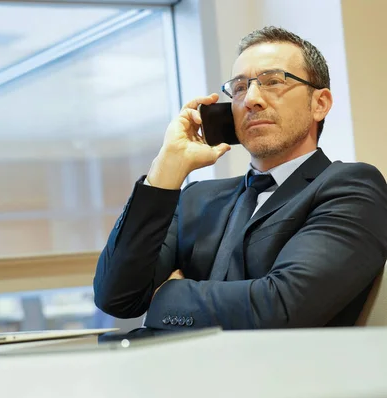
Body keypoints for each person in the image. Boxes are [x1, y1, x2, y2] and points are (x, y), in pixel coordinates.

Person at [93, 26, 387, 330]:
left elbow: (282, 307)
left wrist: (166, 296)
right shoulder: (197, 198)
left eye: (273, 82)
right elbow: (116, 297)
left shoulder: (352, 186)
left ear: (319, 104)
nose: (252, 99)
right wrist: (164, 171)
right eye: (240, 87)